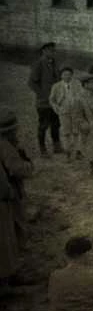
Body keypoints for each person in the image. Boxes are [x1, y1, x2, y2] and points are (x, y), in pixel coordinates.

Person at [0, 108, 34, 295]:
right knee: (11, 235)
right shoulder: (5, 145)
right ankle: (9, 278)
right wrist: (28, 164)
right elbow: (18, 169)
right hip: (7, 197)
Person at [28, 41, 62, 157]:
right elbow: (32, 83)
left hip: (55, 102)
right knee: (43, 125)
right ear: (43, 51)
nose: (52, 52)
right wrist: (43, 95)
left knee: (56, 124)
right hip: (44, 103)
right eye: (50, 50)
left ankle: (57, 146)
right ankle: (42, 149)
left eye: (54, 50)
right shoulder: (39, 64)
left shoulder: (55, 63)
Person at [49, 67, 82, 161]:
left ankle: (78, 152)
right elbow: (51, 100)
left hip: (75, 111)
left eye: (69, 74)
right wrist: (56, 108)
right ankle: (68, 152)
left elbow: (82, 96)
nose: (67, 76)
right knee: (66, 132)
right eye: (64, 74)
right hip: (63, 111)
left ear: (72, 75)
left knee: (76, 131)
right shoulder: (56, 86)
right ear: (61, 75)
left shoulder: (77, 84)